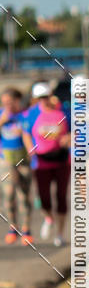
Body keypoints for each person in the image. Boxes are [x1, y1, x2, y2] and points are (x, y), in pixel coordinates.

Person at [23, 82, 70, 247]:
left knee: (61, 196)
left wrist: (69, 138)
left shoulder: (62, 111)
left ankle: (60, 234)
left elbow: (74, 130)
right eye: (40, 97)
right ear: (35, 99)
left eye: (45, 96)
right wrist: (30, 148)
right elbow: (26, 133)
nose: (43, 100)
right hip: (42, 160)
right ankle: (49, 218)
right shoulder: (32, 113)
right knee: (44, 197)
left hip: (62, 159)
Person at [0, 87, 33, 245]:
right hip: (5, 159)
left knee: (24, 195)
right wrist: (2, 121)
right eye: (4, 102)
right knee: (9, 192)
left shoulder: (25, 116)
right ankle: (13, 228)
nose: (7, 105)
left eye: (10, 102)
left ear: (17, 101)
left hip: (23, 159)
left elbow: (30, 134)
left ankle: (26, 230)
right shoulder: (1, 115)